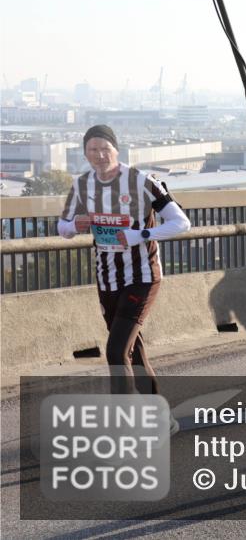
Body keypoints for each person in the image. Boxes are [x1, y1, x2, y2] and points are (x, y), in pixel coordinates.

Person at [58, 125, 191, 406]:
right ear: (85, 153)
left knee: (116, 352)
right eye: (93, 150)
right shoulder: (82, 185)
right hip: (107, 279)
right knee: (134, 351)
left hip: (142, 276)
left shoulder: (142, 181)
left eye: (105, 149)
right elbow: (63, 227)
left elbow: (181, 222)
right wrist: (74, 225)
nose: (100, 155)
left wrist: (140, 234)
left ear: (117, 150)